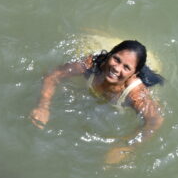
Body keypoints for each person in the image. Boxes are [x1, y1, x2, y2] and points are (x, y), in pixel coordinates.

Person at [30, 39, 165, 165]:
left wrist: (126, 147)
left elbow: (155, 121)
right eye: (116, 59)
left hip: (151, 65)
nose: (117, 68)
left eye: (126, 67)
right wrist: (43, 106)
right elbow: (53, 75)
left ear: (134, 73)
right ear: (110, 54)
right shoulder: (92, 64)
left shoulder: (135, 93)